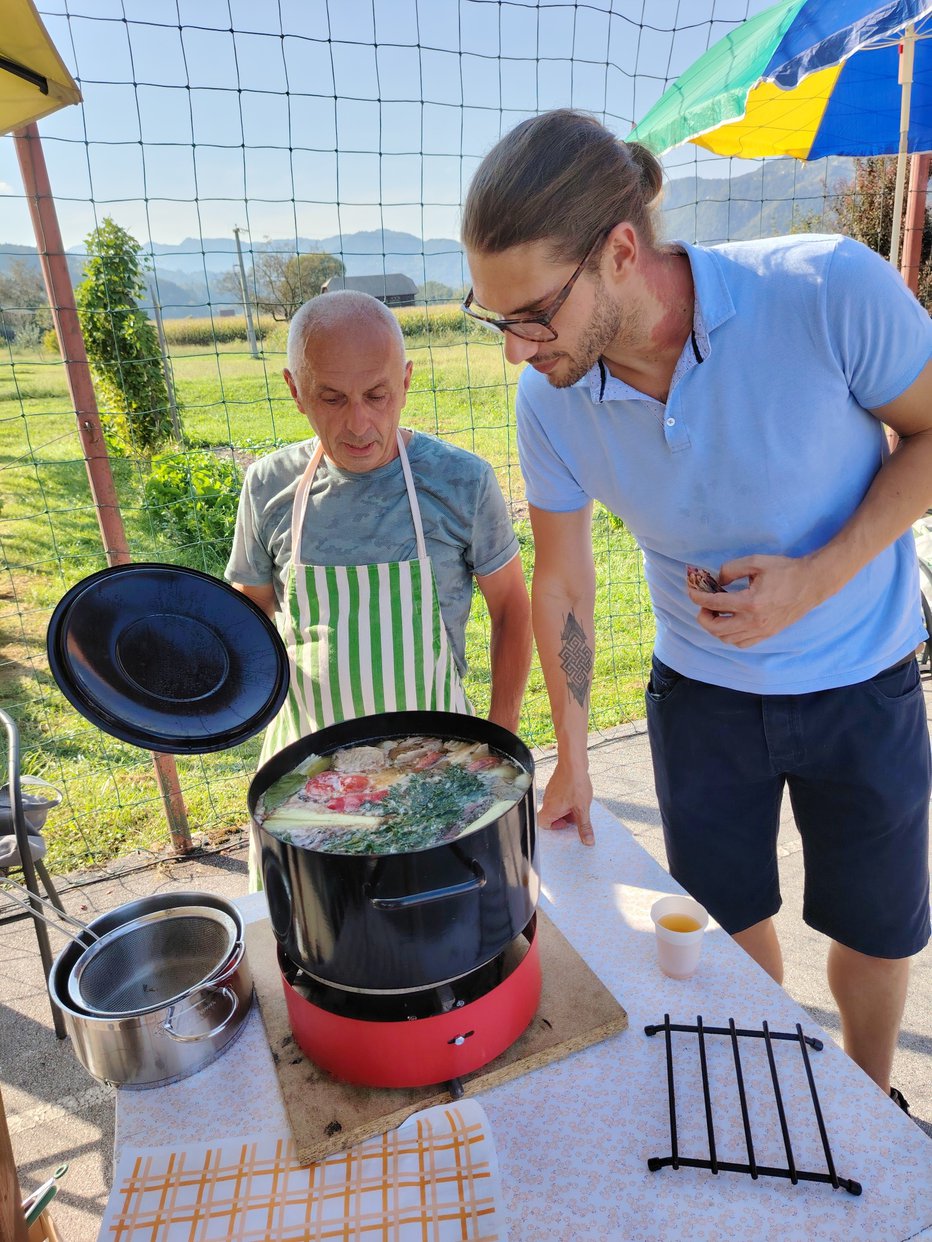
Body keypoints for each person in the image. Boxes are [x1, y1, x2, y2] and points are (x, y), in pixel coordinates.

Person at [460, 108, 932, 1101]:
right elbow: (562, 580)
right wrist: (574, 757)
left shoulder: (822, 289)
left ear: (620, 252)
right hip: (701, 698)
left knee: (874, 926)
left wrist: (819, 574)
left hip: (864, 680)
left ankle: (866, 1095)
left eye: (532, 312)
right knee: (720, 928)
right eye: (492, 316)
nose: (514, 349)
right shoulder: (549, 397)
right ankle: (770, 1093)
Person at [226, 290, 532, 884]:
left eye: (377, 395)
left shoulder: (460, 481)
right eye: (331, 398)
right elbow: (248, 619)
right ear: (295, 390)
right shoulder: (269, 488)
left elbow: (512, 608)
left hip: (440, 766)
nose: (358, 423)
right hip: (311, 775)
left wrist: (499, 741)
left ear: (407, 380)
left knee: (440, 918)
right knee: (318, 929)